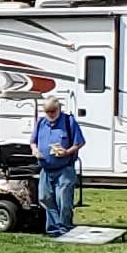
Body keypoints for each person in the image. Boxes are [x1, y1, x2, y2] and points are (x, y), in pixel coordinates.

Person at [30, 94, 86, 236]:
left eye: (53, 111)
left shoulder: (69, 121)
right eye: (47, 112)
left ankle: (65, 228)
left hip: (64, 169)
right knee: (44, 198)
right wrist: (35, 151)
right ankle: (55, 227)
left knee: (64, 201)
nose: (50, 114)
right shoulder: (41, 123)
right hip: (45, 168)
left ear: (59, 108)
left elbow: (79, 142)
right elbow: (33, 142)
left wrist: (66, 152)